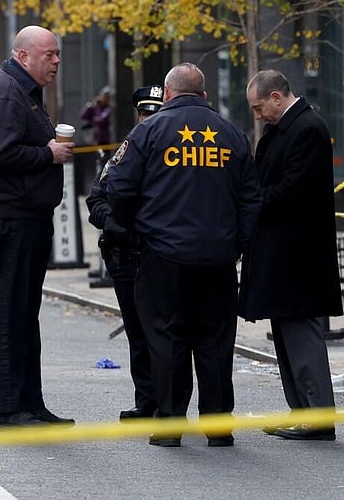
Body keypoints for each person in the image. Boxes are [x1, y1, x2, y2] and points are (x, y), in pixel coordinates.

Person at [107, 63, 259, 447]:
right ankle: (219, 426)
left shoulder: (148, 131)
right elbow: (251, 199)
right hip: (217, 259)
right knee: (215, 342)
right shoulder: (232, 134)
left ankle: (171, 424)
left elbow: (120, 187)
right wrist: (237, 244)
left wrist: (128, 231)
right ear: (204, 95)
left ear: (168, 95)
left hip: (163, 256)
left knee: (167, 339)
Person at [0, 25, 76, 430]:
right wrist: (46, 154)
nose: (55, 61)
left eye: (57, 54)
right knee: (11, 314)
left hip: (30, 216)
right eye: (49, 54)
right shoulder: (5, 92)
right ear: (23, 55)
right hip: (12, 216)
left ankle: (32, 404)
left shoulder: (26, 91)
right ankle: (11, 409)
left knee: (26, 315)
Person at [239, 70, 343, 441]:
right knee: (285, 336)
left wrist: (252, 204)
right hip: (283, 253)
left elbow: (292, 190)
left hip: (299, 256)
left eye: (259, 106)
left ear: (277, 97)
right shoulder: (285, 129)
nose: (257, 115)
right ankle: (302, 410)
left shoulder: (307, 129)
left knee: (302, 336)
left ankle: (317, 416)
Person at [85, 85, 164, 422]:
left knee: (164, 333)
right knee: (137, 332)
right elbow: (96, 200)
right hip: (128, 256)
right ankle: (147, 399)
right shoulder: (125, 152)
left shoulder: (174, 154)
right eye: (145, 114)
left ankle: (169, 403)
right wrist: (115, 225)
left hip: (162, 255)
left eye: (155, 114)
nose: (149, 120)